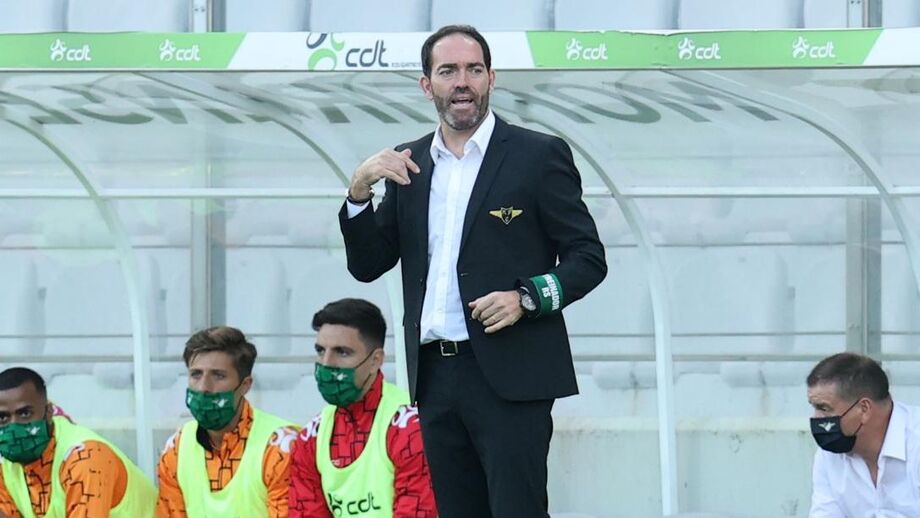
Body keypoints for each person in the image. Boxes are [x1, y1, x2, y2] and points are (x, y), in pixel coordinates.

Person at [338, 24, 607, 518]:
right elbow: (368, 265)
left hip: (512, 375)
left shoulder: (537, 154)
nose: (462, 82)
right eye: (448, 71)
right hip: (434, 377)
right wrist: (358, 191)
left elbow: (588, 257)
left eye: (473, 69)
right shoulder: (409, 163)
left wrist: (526, 298)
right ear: (427, 85)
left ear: (491, 78)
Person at [288, 298, 437, 517]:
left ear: (376, 360)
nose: (327, 363)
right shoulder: (311, 437)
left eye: (342, 352)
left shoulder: (411, 427)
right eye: (320, 350)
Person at [156, 326, 299, 518]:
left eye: (218, 375)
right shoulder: (176, 447)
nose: (204, 387)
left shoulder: (281, 446)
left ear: (245, 385)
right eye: (196, 374)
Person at [0, 367, 156, 517]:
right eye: (2, 417)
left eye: (25, 413)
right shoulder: (5, 466)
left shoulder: (87, 457)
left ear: (48, 413)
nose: (13, 427)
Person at [806, 352, 920, 516]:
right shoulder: (829, 454)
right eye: (814, 407)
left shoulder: (916, 443)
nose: (817, 419)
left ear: (864, 409)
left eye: (824, 408)